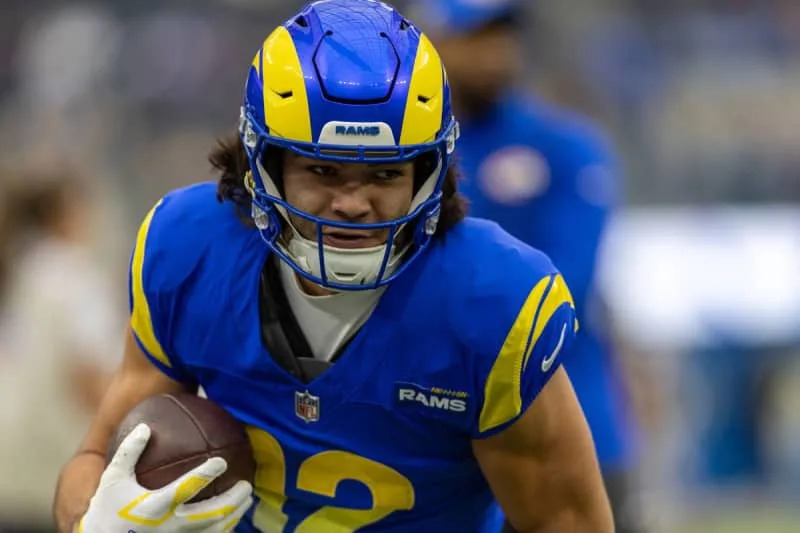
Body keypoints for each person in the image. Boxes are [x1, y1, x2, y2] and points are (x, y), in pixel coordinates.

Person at [53, 1, 613, 531]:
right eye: (322, 171)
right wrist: (96, 520)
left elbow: (566, 522)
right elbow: (94, 457)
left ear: (428, 172)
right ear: (263, 164)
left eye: (385, 174)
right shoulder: (191, 248)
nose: (352, 202)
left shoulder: (488, 300)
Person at [409, 0, 644, 530]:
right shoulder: (402, 158)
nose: (494, 53)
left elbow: (561, 290)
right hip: (435, 435)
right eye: (475, 36)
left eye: (503, 35)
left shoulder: (568, 149)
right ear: (431, 43)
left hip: (572, 426)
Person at [0, 170, 122, 531]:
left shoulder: (18, 269)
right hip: (55, 471)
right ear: (64, 212)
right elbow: (90, 383)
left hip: (8, 465)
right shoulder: (74, 278)